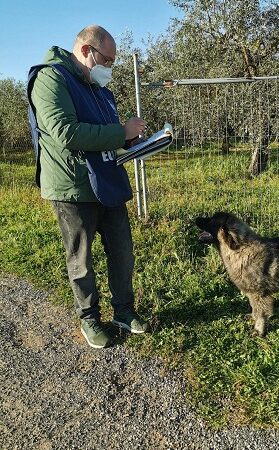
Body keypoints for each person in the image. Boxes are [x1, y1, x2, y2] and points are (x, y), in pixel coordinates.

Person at [27, 25, 148, 349]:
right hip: (72, 187)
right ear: (85, 50)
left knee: (122, 252)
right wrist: (120, 132)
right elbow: (66, 133)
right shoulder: (50, 79)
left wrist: (133, 142)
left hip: (106, 180)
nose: (109, 67)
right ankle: (90, 319)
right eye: (106, 60)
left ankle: (124, 311)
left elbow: (108, 134)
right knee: (81, 259)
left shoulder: (97, 88)